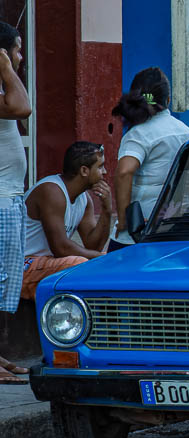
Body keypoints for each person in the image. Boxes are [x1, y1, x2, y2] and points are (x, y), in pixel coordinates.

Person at [109, 67, 189, 251]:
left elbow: (124, 172)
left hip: (138, 230)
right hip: (176, 224)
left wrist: (123, 220)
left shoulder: (139, 134)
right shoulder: (187, 133)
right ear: (168, 100)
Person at [20, 142, 113, 299]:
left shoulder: (84, 199)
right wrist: (102, 258)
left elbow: (93, 245)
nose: (104, 172)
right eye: (100, 167)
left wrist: (107, 210)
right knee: (78, 264)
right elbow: (61, 248)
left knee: (111, 260)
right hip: (23, 266)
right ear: (84, 170)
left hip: (50, 263)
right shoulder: (51, 191)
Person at [0, 21, 32, 384]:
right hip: (1, 201)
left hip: (9, 199)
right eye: (18, 50)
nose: (22, 58)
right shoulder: (7, 89)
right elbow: (23, 108)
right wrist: (6, 64)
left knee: (4, 284)